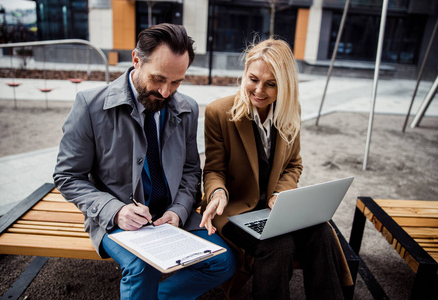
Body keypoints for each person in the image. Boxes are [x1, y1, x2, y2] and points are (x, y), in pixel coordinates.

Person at [54, 23, 236, 300]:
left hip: (171, 217)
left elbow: (190, 170)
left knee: (224, 261)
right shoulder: (89, 106)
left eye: (176, 82)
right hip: (113, 218)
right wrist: (115, 210)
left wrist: (178, 211)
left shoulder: (188, 108)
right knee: (142, 267)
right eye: (158, 79)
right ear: (136, 60)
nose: (166, 92)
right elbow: (68, 176)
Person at [200, 38, 352, 299]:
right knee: (278, 244)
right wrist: (218, 193)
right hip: (234, 208)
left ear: (285, 86)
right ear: (245, 73)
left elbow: (294, 164)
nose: (259, 90)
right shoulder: (219, 113)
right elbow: (214, 170)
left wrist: (280, 195)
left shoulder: (291, 111)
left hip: (275, 208)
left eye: (271, 84)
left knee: (323, 233)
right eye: (253, 79)